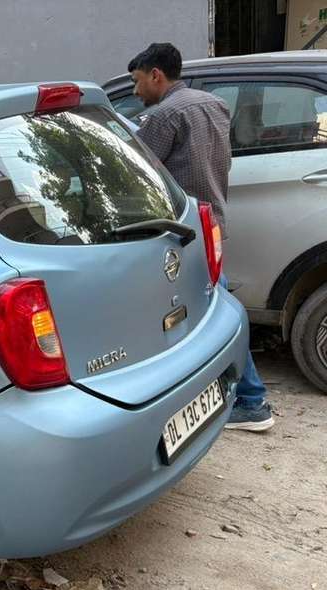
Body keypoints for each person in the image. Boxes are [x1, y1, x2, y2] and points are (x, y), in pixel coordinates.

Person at [127, 42, 274, 432]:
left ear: (156, 75)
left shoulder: (165, 116)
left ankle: (252, 400)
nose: (136, 92)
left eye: (138, 82)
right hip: (212, 222)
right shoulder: (212, 104)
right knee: (211, 310)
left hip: (184, 233)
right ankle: (237, 395)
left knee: (217, 312)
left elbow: (138, 176)